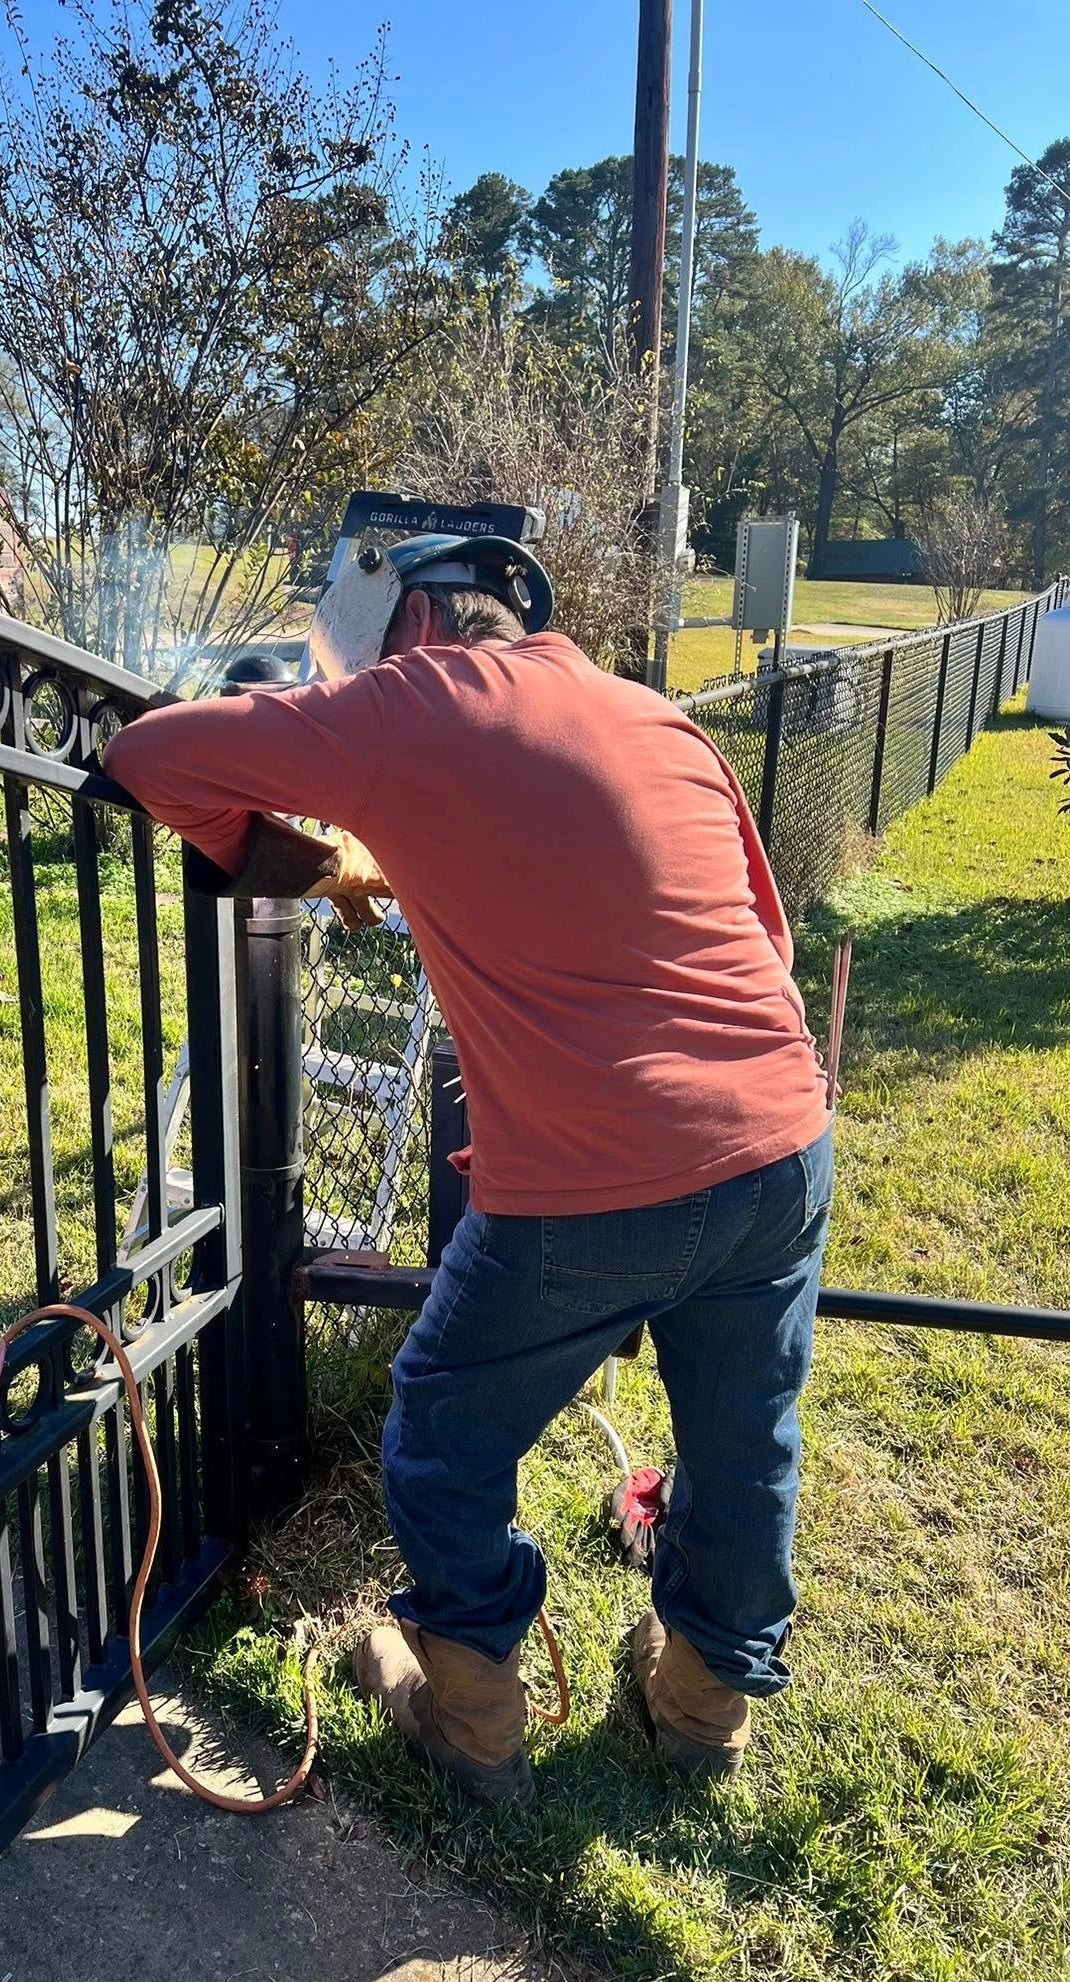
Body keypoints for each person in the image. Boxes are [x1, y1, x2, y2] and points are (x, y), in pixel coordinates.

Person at [102, 532, 833, 1805]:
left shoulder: (409, 702)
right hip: (781, 1148)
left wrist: (314, 858)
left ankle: (476, 1716)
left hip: (595, 1184)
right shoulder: (655, 717)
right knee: (743, 1432)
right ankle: (702, 1710)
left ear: (408, 622)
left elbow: (149, 754)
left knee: (442, 1422)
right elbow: (760, 936)